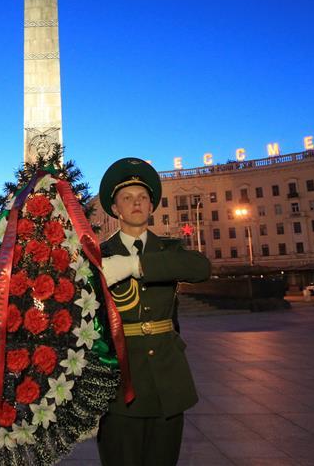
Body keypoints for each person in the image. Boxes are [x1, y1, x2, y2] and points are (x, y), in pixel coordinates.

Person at [95, 158, 212, 466]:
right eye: (127, 198)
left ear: (151, 207)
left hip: (167, 380)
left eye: (142, 198)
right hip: (119, 383)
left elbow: (200, 267)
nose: (136, 203)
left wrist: (136, 265)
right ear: (116, 208)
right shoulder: (98, 256)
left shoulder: (170, 250)